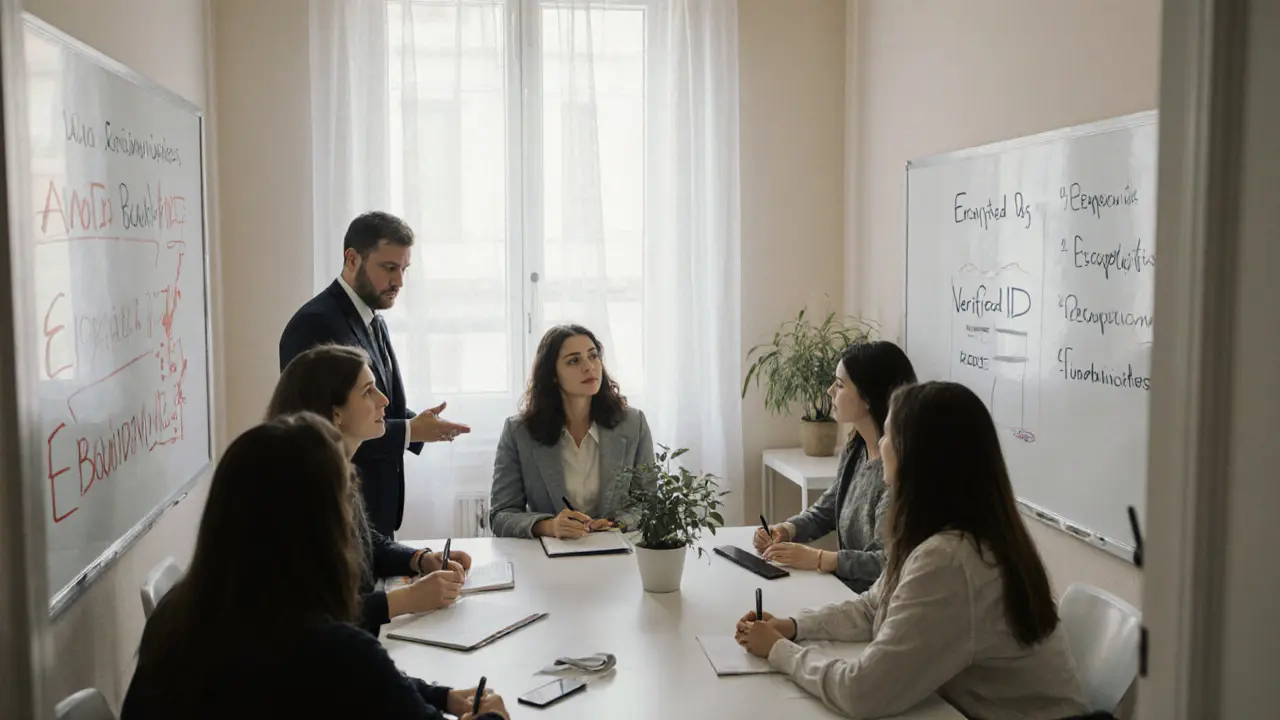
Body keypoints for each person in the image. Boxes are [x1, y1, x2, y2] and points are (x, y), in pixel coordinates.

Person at [735, 382, 1089, 720]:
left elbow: (863, 692)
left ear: (918, 457)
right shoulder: (950, 533)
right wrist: (792, 627)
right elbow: (873, 606)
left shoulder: (950, 559)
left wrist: (780, 651)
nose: (880, 443)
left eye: (889, 434)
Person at [121, 413, 508, 720]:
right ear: (321, 526)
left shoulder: (175, 616)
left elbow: (374, 685)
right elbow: (358, 674)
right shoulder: (332, 650)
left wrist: (439, 696)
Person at [279, 210, 471, 538]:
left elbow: (375, 404)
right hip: (336, 508)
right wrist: (409, 431)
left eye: (404, 269)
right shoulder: (315, 324)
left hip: (375, 515)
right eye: (389, 268)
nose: (399, 282)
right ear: (352, 259)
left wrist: (418, 424)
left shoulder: (371, 316)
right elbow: (322, 429)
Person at [267, 344, 473, 635]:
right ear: (335, 412)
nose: (384, 400)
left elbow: (366, 544)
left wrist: (420, 559)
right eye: (368, 391)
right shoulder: (299, 495)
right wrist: (406, 599)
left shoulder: (338, 472)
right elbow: (313, 617)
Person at [754, 341, 916, 592]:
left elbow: (885, 562)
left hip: (874, 606)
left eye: (840, 385)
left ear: (868, 397)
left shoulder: (898, 470)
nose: (830, 391)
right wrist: (786, 530)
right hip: (847, 594)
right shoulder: (855, 449)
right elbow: (828, 509)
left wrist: (818, 558)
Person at [490, 324, 655, 538]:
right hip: (549, 556)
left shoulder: (633, 423)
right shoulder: (519, 432)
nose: (589, 367)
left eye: (593, 356)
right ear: (552, 375)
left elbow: (649, 503)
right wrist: (549, 526)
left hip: (615, 551)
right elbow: (501, 514)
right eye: (574, 361)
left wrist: (617, 523)